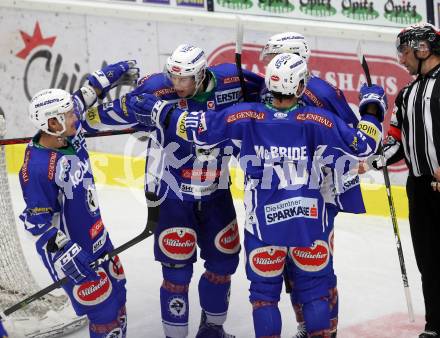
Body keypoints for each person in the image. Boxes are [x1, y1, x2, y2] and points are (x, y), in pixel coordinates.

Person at [129, 53, 386, 338]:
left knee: (264, 297)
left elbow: (196, 129)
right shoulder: (319, 120)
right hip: (309, 224)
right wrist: (372, 106)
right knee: (314, 292)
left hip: (263, 226)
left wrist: (159, 111)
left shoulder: (245, 115)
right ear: (300, 87)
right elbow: (364, 146)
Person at [82, 44, 264, 338]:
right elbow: (111, 113)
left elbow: (271, 97)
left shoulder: (232, 79)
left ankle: (212, 330)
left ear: (201, 73)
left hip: (217, 194)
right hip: (173, 198)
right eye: (174, 78)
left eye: (185, 79)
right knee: (176, 275)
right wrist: (81, 123)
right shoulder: (156, 89)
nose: (177, 85)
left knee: (222, 266)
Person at [18, 60, 138, 337]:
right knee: (104, 314)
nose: (75, 117)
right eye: (67, 115)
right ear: (51, 122)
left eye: (71, 113)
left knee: (118, 296)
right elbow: (36, 223)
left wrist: (116, 72)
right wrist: (65, 252)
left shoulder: (67, 129)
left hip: (97, 237)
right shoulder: (36, 169)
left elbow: (88, 92)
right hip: (72, 253)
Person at [259, 32, 365, 337]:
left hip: (319, 191)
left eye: (273, 57)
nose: (268, 65)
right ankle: (307, 325)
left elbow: (351, 134)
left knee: (316, 262)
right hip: (284, 192)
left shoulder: (321, 92)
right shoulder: (275, 89)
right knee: (292, 268)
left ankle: (326, 329)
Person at [362, 23, 440, 338]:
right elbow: (396, 140)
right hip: (420, 189)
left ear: (423, 49)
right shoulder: (407, 94)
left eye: (405, 51)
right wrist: (372, 158)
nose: (401, 59)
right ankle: (436, 324)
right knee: (430, 262)